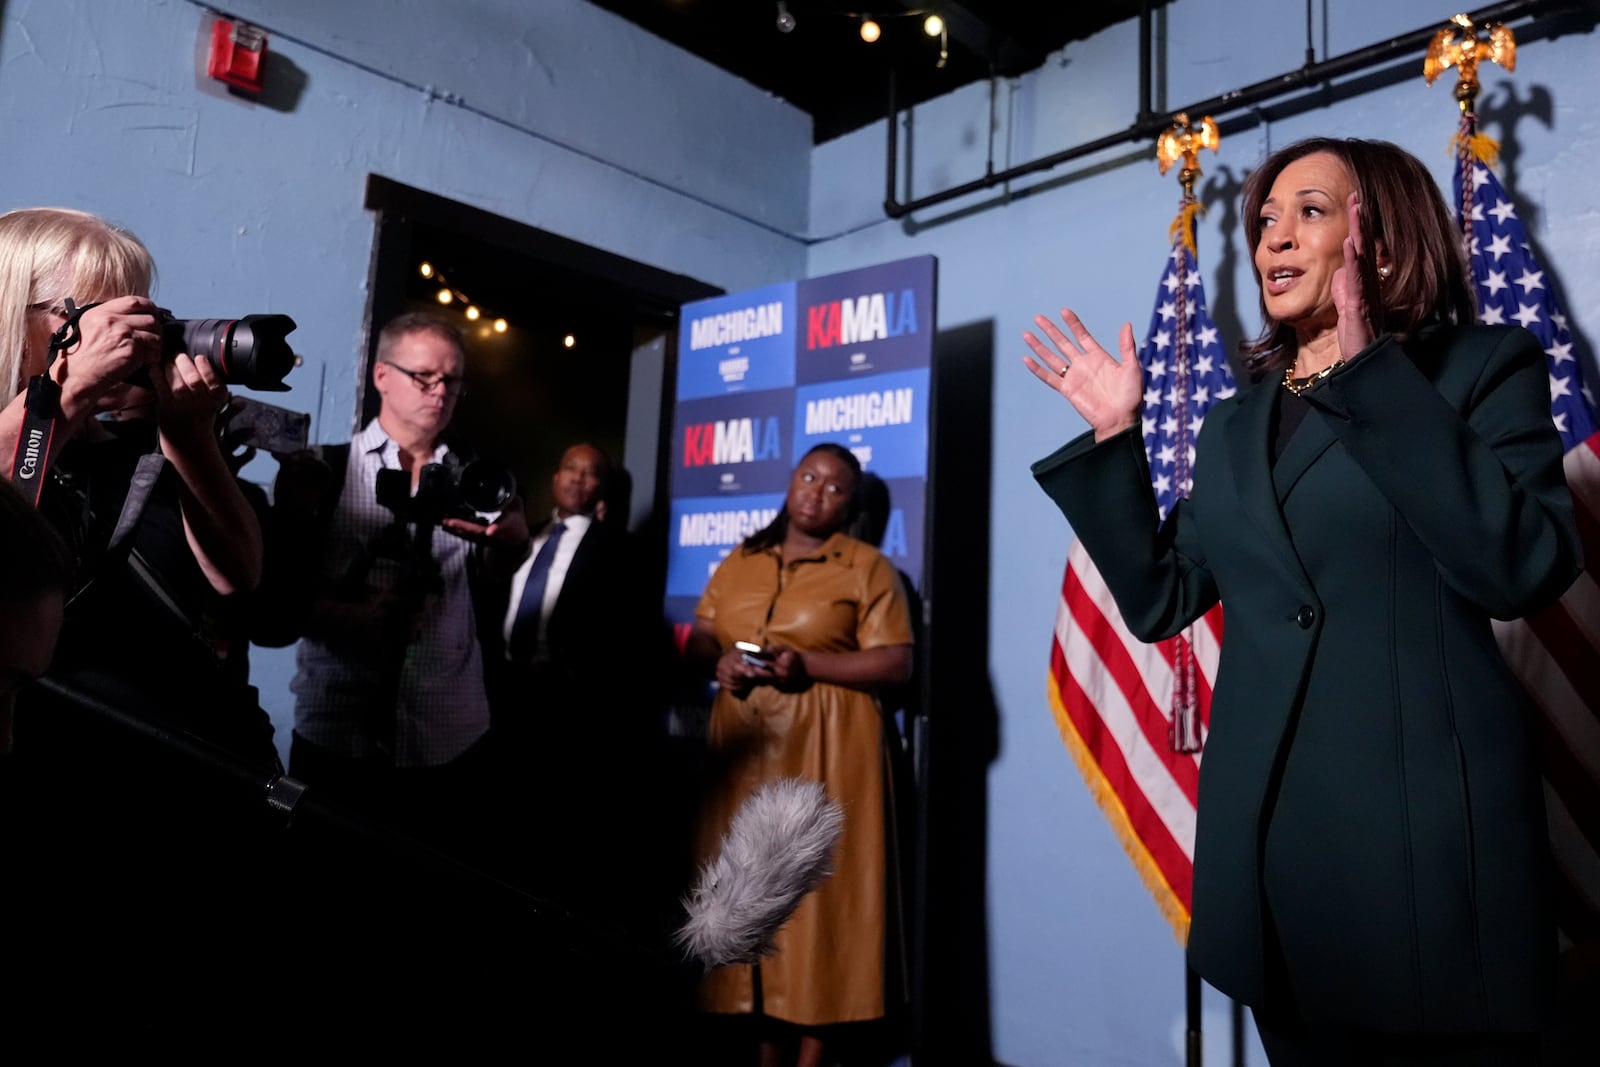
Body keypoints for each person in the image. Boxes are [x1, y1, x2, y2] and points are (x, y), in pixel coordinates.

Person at [1023, 137, 1580, 1064]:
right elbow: (1164, 596)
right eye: (1266, 220)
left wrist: (1374, 385)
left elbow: (1522, 569)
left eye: (1310, 212)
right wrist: (1117, 437)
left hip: (1425, 871)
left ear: (1386, 243)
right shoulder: (1232, 425)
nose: (1274, 238)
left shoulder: (1481, 369)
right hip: (1278, 870)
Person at [0, 206, 281, 1036]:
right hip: (45, 807)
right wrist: (58, 400)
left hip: (176, 813)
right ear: (25, 316)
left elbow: (239, 579)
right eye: (97, 317)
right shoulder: (29, 427)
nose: (131, 340)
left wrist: (186, 435)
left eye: (140, 314)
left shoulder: (142, 446)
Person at [686, 442, 915, 1067]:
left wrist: (806, 664)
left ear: (851, 505)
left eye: (835, 486)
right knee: (752, 901)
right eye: (808, 477)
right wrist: (722, 660)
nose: (817, 491)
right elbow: (702, 637)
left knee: (815, 909)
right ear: (790, 483)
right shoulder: (743, 557)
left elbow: (897, 661)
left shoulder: (867, 568)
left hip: (828, 751)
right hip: (744, 752)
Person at [272, 311, 527, 852]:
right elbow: (278, 605)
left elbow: (489, 586)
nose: (441, 392)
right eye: (425, 377)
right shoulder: (325, 472)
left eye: (452, 381)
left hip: (450, 735)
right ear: (382, 375)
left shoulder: (478, 484)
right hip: (337, 731)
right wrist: (361, 614)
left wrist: (513, 550)